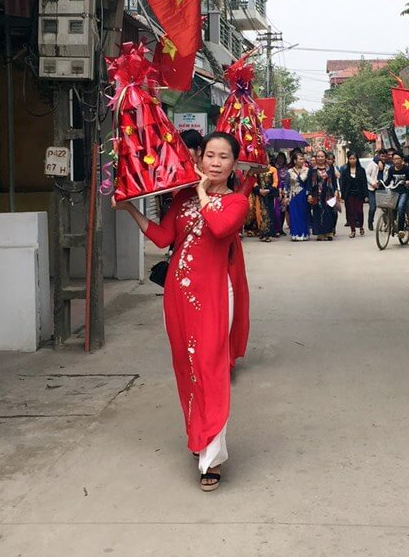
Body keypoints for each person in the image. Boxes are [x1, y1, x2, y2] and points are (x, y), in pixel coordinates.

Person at [113, 131, 250, 492]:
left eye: (223, 157)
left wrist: (203, 191)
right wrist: (128, 207)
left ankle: (213, 456)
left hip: (215, 295)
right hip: (176, 295)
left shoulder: (237, 203)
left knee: (211, 367)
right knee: (186, 367)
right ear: (199, 159)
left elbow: (220, 229)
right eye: (209, 155)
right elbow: (162, 238)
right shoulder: (183, 198)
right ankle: (199, 434)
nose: (216, 162)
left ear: (233, 164)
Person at [306, 149, 339, 240]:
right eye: (318, 157)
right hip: (316, 194)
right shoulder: (312, 169)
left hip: (328, 194)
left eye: (322, 156)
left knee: (328, 213)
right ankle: (319, 233)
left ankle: (328, 232)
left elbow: (333, 180)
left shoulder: (330, 168)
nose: (320, 158)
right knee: (317, 213)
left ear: (325, 158)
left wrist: (336, 190)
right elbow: (309, 183)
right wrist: (309, 194)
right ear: (316, 158)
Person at [382, 151, 409, 238]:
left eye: (397, 159)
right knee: (391, 208)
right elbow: (388, 181)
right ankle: (393, 226)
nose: (396, 161)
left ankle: (401, 230)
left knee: (400, 207)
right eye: (394, 159)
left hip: (404, 192)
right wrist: (381, 183)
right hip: (394, 191)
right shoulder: (391, 169)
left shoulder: (406, 169)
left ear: (402, 160)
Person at [339, 150, 368, 237]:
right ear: (348, 159)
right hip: (349, 195)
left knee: (359, 211)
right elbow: (343, 184)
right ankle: (353, 230)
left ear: (356, 159)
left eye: (354, 158)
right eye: (350, 158)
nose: (352, 160)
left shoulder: (361, 170)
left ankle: (361, 226)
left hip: (359, 194)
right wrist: (342, 196)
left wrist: (366, 195)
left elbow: (364, 183)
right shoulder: (345, 171)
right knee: (350, 211)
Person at [288, 149, 310, 241]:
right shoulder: (289, 171)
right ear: (294, 161)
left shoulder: (307, 170)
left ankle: (304, 233)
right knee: (294, 214)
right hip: (293, 195)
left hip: (303, 195)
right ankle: (295, 233)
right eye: (300, 159)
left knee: (304, 214)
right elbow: (286, 184)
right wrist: (285, 195)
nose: (302, 161)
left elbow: (309, 183)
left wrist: (309, 194)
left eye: (302, 159)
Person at [254, 166, 278, 242]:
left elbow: (275, 181)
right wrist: (259, 189)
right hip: (260, 194)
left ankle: (269, 234)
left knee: (269, 213)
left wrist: (269, 190)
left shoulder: (273, 169)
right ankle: (262, 233)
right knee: (260, 212)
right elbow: (254, 181)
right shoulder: (257, 169)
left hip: (269, 194)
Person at [274, 151, 291, 236]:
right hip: (275, 190)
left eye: (282, 158)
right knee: (275, 210)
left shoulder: (286, 168)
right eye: (279, 158)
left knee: (283, 210)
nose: (280, 160)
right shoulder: (273, 168)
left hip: (285, 190)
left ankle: (280, 228)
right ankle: (275, 228)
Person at [365, 152, 381, 231]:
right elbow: (367, 175)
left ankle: (385, 224)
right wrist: (373, 183)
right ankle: (370, 221)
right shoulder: (372, 164)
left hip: (382, 189)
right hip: (371, 189)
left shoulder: (387, 165)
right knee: (373, 207)